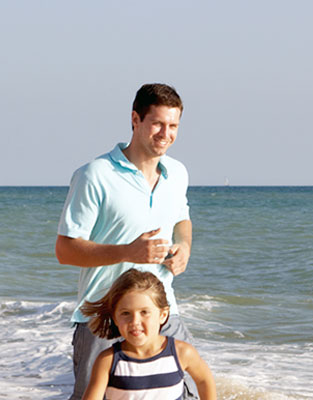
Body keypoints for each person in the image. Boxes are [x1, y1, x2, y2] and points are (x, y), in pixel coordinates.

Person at [55, 83, 196, 400]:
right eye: (157, 123)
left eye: (173, 126)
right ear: (135, 119)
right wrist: (128, 251)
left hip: (162, 313)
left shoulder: (177, 173)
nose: (165, 133)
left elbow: (182, 220)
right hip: (104, 318)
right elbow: (65, 250)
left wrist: (184, 247)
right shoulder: (95, 175)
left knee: (187, 393)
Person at [79, 269, 215, 400]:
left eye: (144, 312)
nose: (135, 321)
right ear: (115, 318)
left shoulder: (182, 353)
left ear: (163, 315)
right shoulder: (108, 361)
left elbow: (204, 380)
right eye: (126, 313)